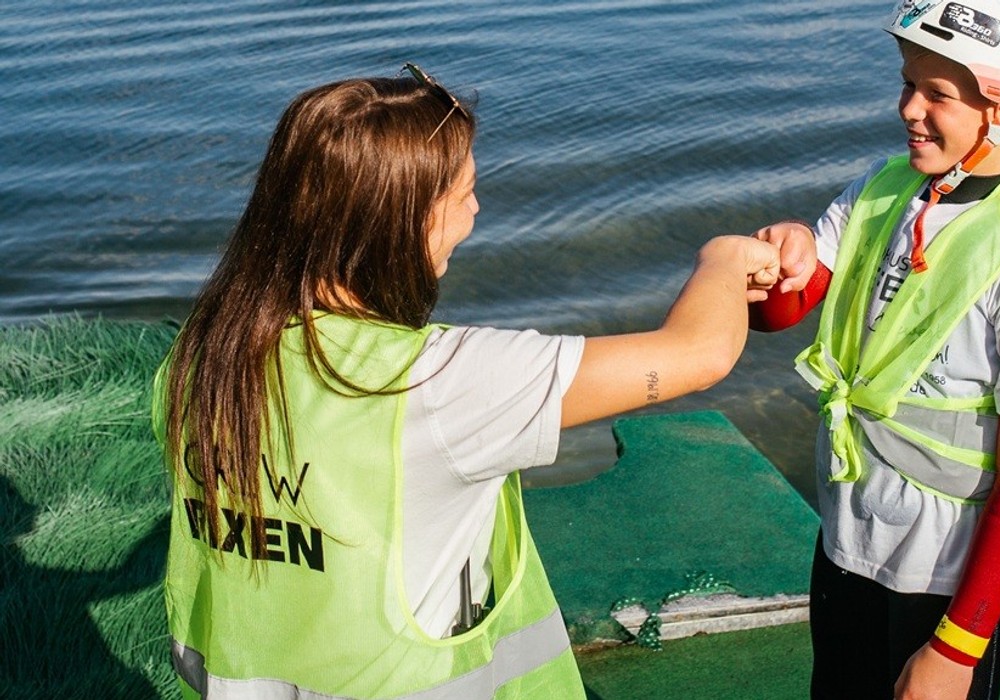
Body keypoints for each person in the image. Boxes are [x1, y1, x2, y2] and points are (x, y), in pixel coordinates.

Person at [152, 65, 780, 699]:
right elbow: (698, 355)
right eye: (463, 194)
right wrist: (723, 259)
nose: (476, 210)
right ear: (401, 220)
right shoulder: (437, 382)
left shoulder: (203, 357)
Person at [747, 1, 1000, 698]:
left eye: (937, 95)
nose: (907, 109)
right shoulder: (884, 188)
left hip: (945, 574)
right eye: (906, 83)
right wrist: (782, 253)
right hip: (846, 533)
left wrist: (957, 646)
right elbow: (779, 314)